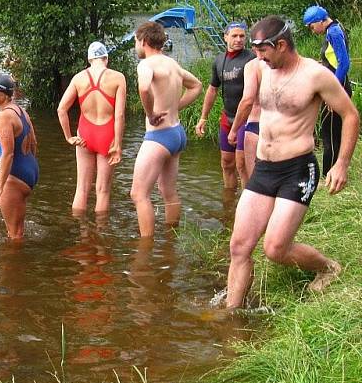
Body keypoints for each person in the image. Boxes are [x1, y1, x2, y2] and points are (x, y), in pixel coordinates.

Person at [225, 16, 359, 309]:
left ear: (282, 45)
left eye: (264, 51)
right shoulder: (261, 69)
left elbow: (350, 115)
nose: (258, 57)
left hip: (297, 169)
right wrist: (236, 131)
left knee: (274, 249)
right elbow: (248, 101)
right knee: (239, 246)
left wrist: (342, 164)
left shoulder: (315, 75)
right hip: (264, 168)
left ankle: (326, 267)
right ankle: (230, 316)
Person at [130, 21, 203, 237]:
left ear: (143, 42)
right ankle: (172, 238)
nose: (136, 46)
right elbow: (197, 86)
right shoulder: (173, 65)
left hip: (159, 135)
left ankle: (146, 248)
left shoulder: (146, 64)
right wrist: (175, 106)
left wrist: (151, 114)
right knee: (168, 192)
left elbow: (144, 88)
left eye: (136, 41)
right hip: (177, 132)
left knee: (138, 193)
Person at [57, 41, 127, 214]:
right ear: (106, 58)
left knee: (81, 188)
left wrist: (68, 137)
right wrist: (117, 144)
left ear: (89, 60)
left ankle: (82, 234)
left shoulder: (78, 78)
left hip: (85, 134)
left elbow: (61, 109)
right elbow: (119, 115)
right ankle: (100, 236)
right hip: (107, 134)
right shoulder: (118, 78)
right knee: (102, 191)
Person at [195, 22, 256, 188]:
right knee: (226, 163)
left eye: (242, 36)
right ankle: (228, 205)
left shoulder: (251, 59)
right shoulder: (219, 60)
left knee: (242, 165)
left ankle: (247, 208)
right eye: (234, 36)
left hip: (246, 118)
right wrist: (203, 118)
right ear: (225, 37)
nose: (238, 39)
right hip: (227, 117)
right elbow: (213, 90)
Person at [0, 74, 39, 240]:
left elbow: (8, 154)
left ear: (6, 94)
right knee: (19, 231)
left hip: (15, 176)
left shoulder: (3, 117)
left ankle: (14, 265)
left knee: (14, 236)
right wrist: (29, 170)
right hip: (29, 170)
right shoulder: (20, 110)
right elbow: (34, 143)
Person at [303, 5, 352, 175]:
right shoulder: (336, 28)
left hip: (336, 89)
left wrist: (333, 93)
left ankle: (328, 175)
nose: (312, 30)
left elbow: (344, 63)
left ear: (319, 21)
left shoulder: (334, 33)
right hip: (336, 87)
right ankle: (333, 172)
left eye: (311, 26)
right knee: (332, 132)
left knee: (330, 135)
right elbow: (334, 61)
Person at [228, 58, 265, 179]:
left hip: (255, 123)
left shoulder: (252, 65)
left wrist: (234, 130)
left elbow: (248, 100)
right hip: (279, 126)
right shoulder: (288, 65)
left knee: (254, 180)